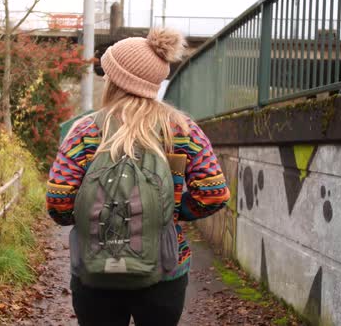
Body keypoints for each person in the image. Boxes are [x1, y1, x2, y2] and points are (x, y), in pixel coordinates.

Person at [46, 28, 230, 326]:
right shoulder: (182, 130)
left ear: (116, 79)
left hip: (95, 271)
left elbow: (58, 202)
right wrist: (168, 213)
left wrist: (89, 217)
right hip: (165, 268)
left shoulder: (85, 131)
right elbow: (214, 192)